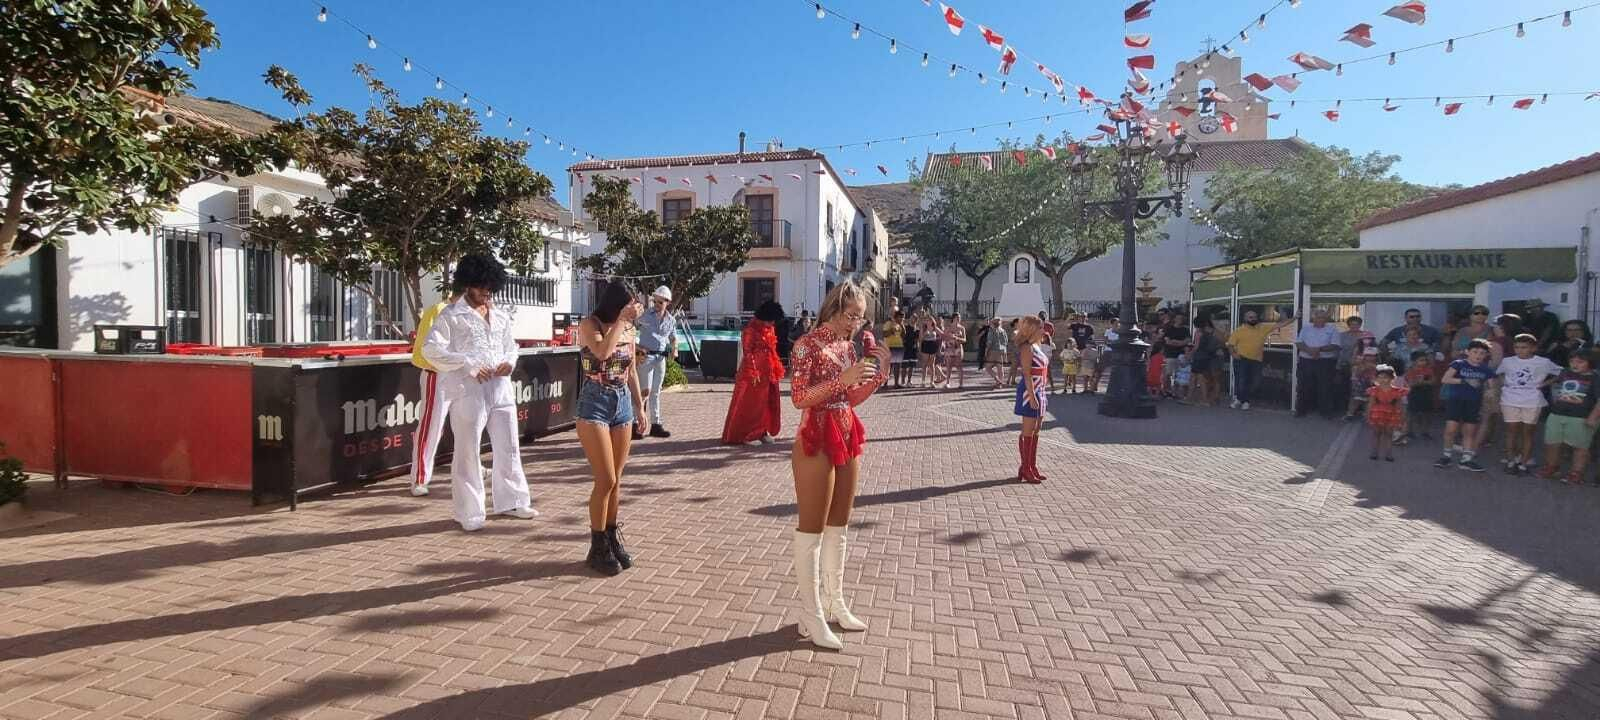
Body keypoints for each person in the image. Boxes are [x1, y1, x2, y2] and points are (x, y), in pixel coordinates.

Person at [787, 281, 890, 650]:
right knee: (812, 531)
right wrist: (840, 380)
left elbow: (851, 397)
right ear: (833, 308)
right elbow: (800, 399)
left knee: (839, 527)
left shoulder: (848, 348)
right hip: (815, 438)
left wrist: (877, 375)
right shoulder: (806, 346)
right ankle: (811, 615)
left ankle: (835, 603)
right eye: (851, 316)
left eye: (861, 319)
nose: (855, 325)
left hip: (846, 433)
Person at [420, 254, 538, 532]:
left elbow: (511, 346)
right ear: (467, 284)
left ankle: (512, 501)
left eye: (490, 286)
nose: (486, 291)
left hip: (501, 390)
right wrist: (469, 365)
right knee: (467, 451)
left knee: (509, 447)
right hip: (467, 392)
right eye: (480, 285)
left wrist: (510, 361)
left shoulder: (500, 315)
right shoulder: (450, 315)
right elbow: (430, 350)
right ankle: (469, 512)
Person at [575, 281, 649, 576]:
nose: (635, 309)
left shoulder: (628, 328)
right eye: (630, 304)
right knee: (604, 479)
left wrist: (640, 406)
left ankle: (609, 537)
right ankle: (596, 544)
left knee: (616, 480)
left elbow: (628, 368)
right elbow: (603, 353)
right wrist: (621, 321)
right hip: (594, 402)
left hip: (622, 404)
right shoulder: (589, 324)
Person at [408, 288, 461, 497]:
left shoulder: (470, 313)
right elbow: (425, 350)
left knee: (468, 425)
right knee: (431, 427)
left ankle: (471, 467)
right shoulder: (438, 310)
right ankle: (419, 478)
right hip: (437, 375)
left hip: (461, 377)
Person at [1495, 333, 1561, 475]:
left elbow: (1560, 373)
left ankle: (1524, 463)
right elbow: (1499, 373)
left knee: (1528, 433)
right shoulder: (1508, 361)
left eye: (1524, 347)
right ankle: (1511, 460)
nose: (1520, 350)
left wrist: (1544, 384)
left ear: (1533, 348)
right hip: (1510, 398)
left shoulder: (1543, 362)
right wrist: (1503, 384)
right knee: (1511, 431)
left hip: (1532, 400)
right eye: (1517, 347)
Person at [722, 301, 786, 446]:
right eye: (770, 320)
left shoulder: (770, 329)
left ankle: (762, 431)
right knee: (748, 405)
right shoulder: (750, 330)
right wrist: (753, 372)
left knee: (766, 404)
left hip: (768, 373)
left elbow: (772, 349)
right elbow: (748, 353)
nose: (772, 323)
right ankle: (740, 433)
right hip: (753, 374)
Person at [1539, 350, 1600, 484]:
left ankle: (1576, 473)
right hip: (1557, 413)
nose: (1575, 365)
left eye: (1580, 362)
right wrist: (1543, 384)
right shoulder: (1566, 372)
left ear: (1590, 363)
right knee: (1552, 443)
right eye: (1572, 361)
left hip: (1581, 417)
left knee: (1580, 447)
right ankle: (1552, 467)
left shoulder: (1595, 378)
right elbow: (1557, 379)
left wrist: (1593, 417)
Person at [1435, 339, 1495, 472]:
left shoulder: (1486, 369)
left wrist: (1490, 393)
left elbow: (1491, 386)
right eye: (1475, 352)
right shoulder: (1459, 364)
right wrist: (1464, 380)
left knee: (1469, 431)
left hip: (1473, 402)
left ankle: (1466, 459)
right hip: (1456, 400)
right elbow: (1445, 379)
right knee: (1451, 429)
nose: (1478, 355)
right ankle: (1446, 456)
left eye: (1482, 353)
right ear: (1467, 352)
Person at [635, 286, 678, 440]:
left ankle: (656, 424)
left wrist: (675, 349)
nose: (657, 304)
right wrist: (636, 347)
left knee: (656, 392)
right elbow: (630, 329)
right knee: (643, 392)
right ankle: (636, 425)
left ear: (667, 302)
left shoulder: (671, 320)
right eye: (655, 301)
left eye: (660, 302)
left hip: (660, 358)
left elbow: (673, 337)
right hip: (646, 357)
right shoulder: (645, 315)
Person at [1012, 315, 1050, 484]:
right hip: (1030, 391)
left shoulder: (1037, 346)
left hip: (1040, 390)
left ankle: (1030, 466)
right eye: (1041, 327)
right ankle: (1025, 468)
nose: (1044, 329)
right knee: (1028, 429)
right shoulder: (1027, 348)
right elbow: (1026, 373)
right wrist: (1033, 396)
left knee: (1036, 429)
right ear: (1033, 329)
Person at [1226, 309, 1290, 410]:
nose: (1253, 319)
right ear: (1245, 319)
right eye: (1250, 317)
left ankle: (1240, 398)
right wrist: (1233, 354)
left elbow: (1281, 325)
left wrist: (1294, 317)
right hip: (1241, 359)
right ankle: (1244, 400)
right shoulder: (1239, 330)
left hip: (1256, 360)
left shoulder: (1263, 328)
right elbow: (1230, 345)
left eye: (1255, 317)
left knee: (1256, 382)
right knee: (1241, 381)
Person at [1295, 310, 1342, 418]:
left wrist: (1319, 350)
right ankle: (1301, 410)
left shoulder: (1332, 329)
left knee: (1325, 387)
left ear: (1326, 319)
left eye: (1323, 318)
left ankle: (1325, 412)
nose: (1321, 320)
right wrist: (1309, 351)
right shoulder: (1306, 328)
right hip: (1306, 360)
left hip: (1325, 362)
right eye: (1318, 317)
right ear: (1314, 318)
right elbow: (1299, 343)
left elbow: (1336, 345)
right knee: (1303, 386)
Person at [1366, 365, 1407, 462]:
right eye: (1380, 377)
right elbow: (1370, 404)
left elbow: (1399, 405)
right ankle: (1375, 452)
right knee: (1377, 433)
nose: (1382, 380)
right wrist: (1368, 415)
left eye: (1385, 377)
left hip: (1391, 414)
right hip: (1377, 414)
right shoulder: (1374, 390)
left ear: (1391, 378)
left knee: (1389, 434)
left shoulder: (1397, 391)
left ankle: (1389, 454)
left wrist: (1402, 416)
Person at [1160, 315, 1191, 398]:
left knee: (1179, 375)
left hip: (1181, 354)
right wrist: (1180, 342)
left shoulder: (1185, 330)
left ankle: (1176, 393)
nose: (1179, 320)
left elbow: (1187, 341)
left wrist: (1175, 342)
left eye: (1181, 318)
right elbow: (1167, 341)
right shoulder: (1169, 329)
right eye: (1178, 318)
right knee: (1168, 373)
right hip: (1170, 354)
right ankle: (1167, 390)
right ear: (1174, 319)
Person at [1344, 349, 1379, 421]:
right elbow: (1356, 374)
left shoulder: (1377, 365)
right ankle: (1350, 414)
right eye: (1368, 355)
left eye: (1372, 356)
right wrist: (1364, 368)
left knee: (1369, 401)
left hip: (1371, 385)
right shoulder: (1359, 364)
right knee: (1355, 400)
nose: (1370, 357)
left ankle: (1366, 415)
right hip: (1359, 385)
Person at [941, 312, 967, 389]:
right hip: (949, 349)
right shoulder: (948, 327)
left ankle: (961, 383)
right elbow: (944, 338)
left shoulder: (962, 328)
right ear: (953, 318)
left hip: (958, 348)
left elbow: (965, 340)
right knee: (949, 366)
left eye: (959, 317)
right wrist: (949, 339)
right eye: (957, 317)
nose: (959, 319)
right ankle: (947, 383)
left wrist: (957, 338)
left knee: (959, 366)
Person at [917, 313, 943, 388]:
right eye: (927, 320)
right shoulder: (923, 328)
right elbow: (920, 339)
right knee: (924, 365)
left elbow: (942, 334)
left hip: (933, 346)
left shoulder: (935, 328)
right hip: (925, 345)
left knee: (932, 365)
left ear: (932, 321)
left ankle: (932, 382)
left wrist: (938, 340)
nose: (928, 321)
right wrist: (924, 334)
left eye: (930, 320)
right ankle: (923, 382)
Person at [984, 317, 1009, 389]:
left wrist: (986, 351)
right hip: (1001, 351)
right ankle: (1000, 383)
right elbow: (1006, 341)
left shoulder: (991, 330)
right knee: (1000, 368)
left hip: (993, 351)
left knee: (988, 368)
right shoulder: (1003, 331)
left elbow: (989, 342)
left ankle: (998, 380)